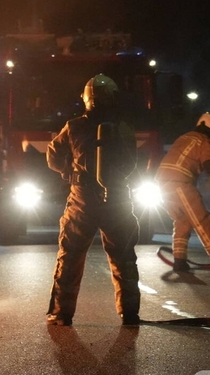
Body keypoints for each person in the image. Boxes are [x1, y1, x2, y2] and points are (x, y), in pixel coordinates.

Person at [45, 74, 141, 326]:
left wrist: (70, 171)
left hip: (82, 200)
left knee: (70, 256)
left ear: (87, 98)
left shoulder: (74, 126)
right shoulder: (124, 127)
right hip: (118, 200)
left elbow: (53, 156)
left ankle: (61, 313)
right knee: (124, 258)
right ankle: (129, 312)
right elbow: (131, 163)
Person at [155, 113, 210, 271]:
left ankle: (179, 260)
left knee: (182, 221)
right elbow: (209, 164)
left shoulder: (185, 137)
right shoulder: (203, 141)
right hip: (179, 183)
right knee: (203, 220)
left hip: (162, 184)